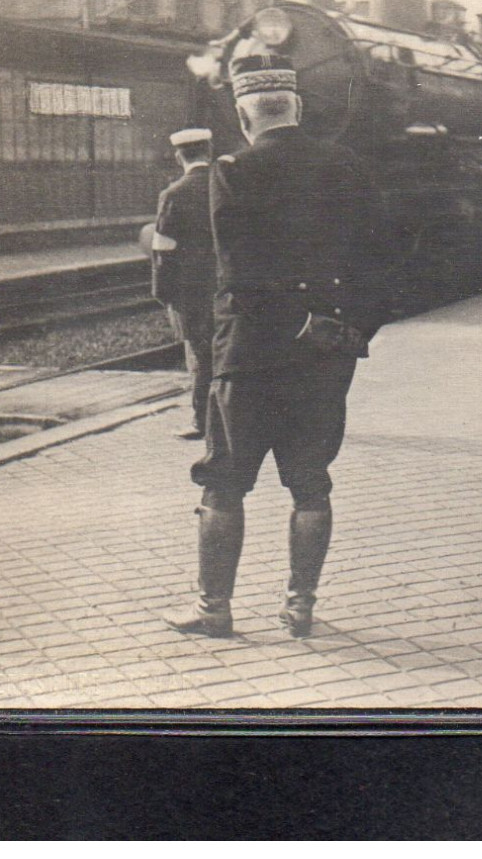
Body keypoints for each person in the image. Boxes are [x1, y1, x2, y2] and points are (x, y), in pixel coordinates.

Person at [166, 55, 394, 639]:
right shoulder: (348, 165)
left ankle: (214, 610)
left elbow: (240, 275)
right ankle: (301, 608)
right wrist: (350, 330)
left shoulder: (234, 169)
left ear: (246, 115)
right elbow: (386, 261)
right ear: (297, 107)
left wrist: (291, 324)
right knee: (311, 481)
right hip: (325, 359)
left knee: (224, 481)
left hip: (248, 356)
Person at [150, 127, 216, 439]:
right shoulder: (225, 186)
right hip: (228, 286)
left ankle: (202, 422)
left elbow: (164, 250)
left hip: (192, 290)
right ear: (209, 151)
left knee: (200, 357)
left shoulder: (174, 194)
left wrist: (163, 293)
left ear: (179, 157)